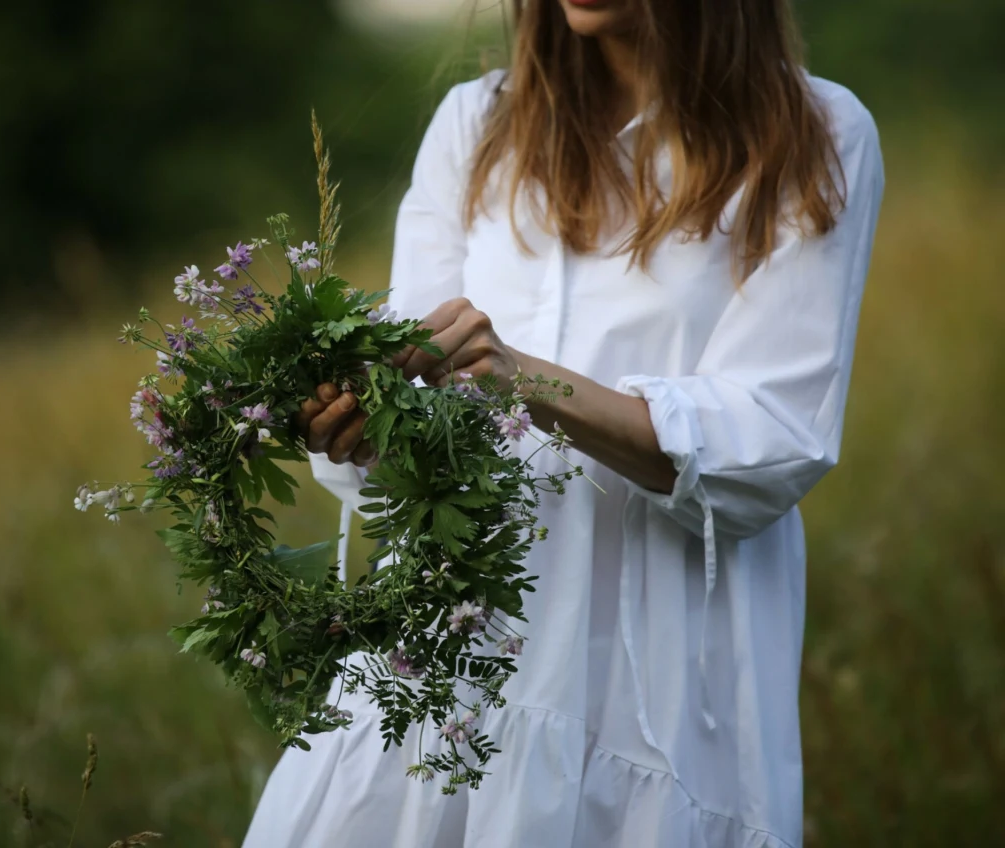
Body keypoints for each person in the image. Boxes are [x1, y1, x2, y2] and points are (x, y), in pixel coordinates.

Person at [244, 0, 883, 845]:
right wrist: (358, 423)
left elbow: (770, 439)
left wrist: (521, 377)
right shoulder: (478, 125)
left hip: (652, 692)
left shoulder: (816, 132)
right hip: (442, 666)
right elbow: (409, 426)